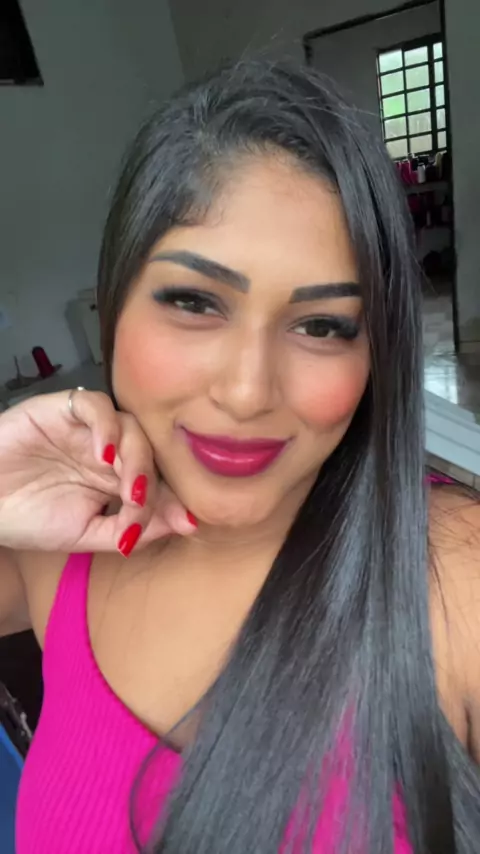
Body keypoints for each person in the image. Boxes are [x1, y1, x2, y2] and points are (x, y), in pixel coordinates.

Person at [0, 59, 479, 854]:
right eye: (194, 302)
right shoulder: (58, 551)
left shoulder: (454, 579)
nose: (249, 391)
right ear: (113, 310)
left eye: (322, 325)